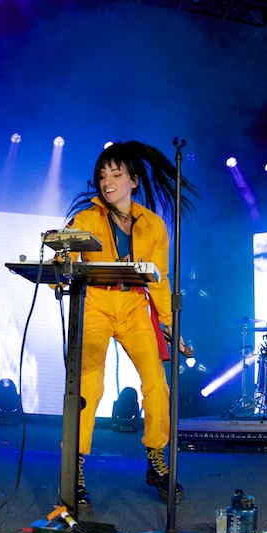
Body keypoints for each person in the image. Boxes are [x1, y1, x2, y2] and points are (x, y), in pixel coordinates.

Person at [65, 140, 196, 506]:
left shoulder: (153, 225)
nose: (108, 181)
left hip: (135, 306)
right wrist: (62, 262)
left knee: (156, 381)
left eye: (116, 174)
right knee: (91, 380)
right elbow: (68, 263)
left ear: (133, 180)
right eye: (102, 175)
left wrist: (172, 326)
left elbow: (160, 279)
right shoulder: (86, 219)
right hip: (96, 303)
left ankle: (156, 457)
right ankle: (73, 463)